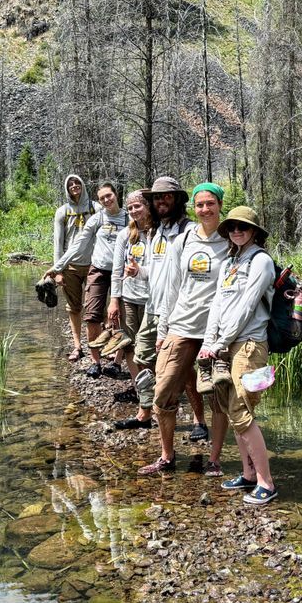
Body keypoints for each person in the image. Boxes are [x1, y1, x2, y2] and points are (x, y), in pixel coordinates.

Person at [139, 182, 228, 475]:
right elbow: (171, 289)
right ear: (194, 207)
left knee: (217, 397)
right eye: (200, 204)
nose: (205, 209)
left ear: (219, 206)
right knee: (163, 394)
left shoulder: (230, 240)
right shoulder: (184, 240)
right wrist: (163, 331)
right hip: (181, 326)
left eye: (210, 204)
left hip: (215, 334)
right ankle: (167, 456)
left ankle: (214, 460)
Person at [200, 206, 278, 504]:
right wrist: (210, 341)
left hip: (249, 346)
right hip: (226, 344)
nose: (236, 232)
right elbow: (217, 305)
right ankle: (248, 476)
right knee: (234, 414)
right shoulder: (230, 261)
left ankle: (266, 483)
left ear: (254, 231)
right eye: (232, 227)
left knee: (242, 412)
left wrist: (220, 343)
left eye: (242, 227)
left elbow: (247, 306)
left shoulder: (261, 261)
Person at [116, 176, 204, 434]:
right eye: (156, 197)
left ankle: (199, 420)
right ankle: (145, 413)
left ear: (177, 199)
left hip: (178, 313)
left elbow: (192, 275)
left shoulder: (189, 232)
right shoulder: (155, 232)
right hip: (153, 309)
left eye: (166, 196)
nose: (161, 201)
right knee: (142, 357)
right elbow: (155, 272)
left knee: (185, 370)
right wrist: (138, 272)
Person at [45, 182, 126, 378]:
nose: (106, 200)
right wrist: (58, 267)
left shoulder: (128, 217)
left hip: (122, 272)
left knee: (121, 316)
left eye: (109, 195)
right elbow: (78, 244)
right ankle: (95, 361)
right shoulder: (97, 218)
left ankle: (117, 360)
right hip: (98, 270)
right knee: (92, 316)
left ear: (116, 195)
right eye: (102, 198)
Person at [51, 174, 100, 360]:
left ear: (82, 185)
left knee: (96, 307)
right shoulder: (62, 211)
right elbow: (58, 242)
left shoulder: (95, 208)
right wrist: (57, 271)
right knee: (74, 308)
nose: (74, 186)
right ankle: (78, 346)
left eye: (77, 182)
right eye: (70, 184)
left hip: (93, 264)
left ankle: (99, 345)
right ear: (66, 188)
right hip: (70, 266)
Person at [107, 189, 153, 385]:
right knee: (128, 344)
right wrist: (114, 300)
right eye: (130, 208)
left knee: (148, 348)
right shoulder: (125, 234)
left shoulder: (158, 232)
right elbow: (116, 270)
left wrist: (140, 270)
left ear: (148, 206)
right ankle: (138, 387)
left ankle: (154, 387)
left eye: (138, 206)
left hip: (151, 299)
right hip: (128, 298)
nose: (134, 211)